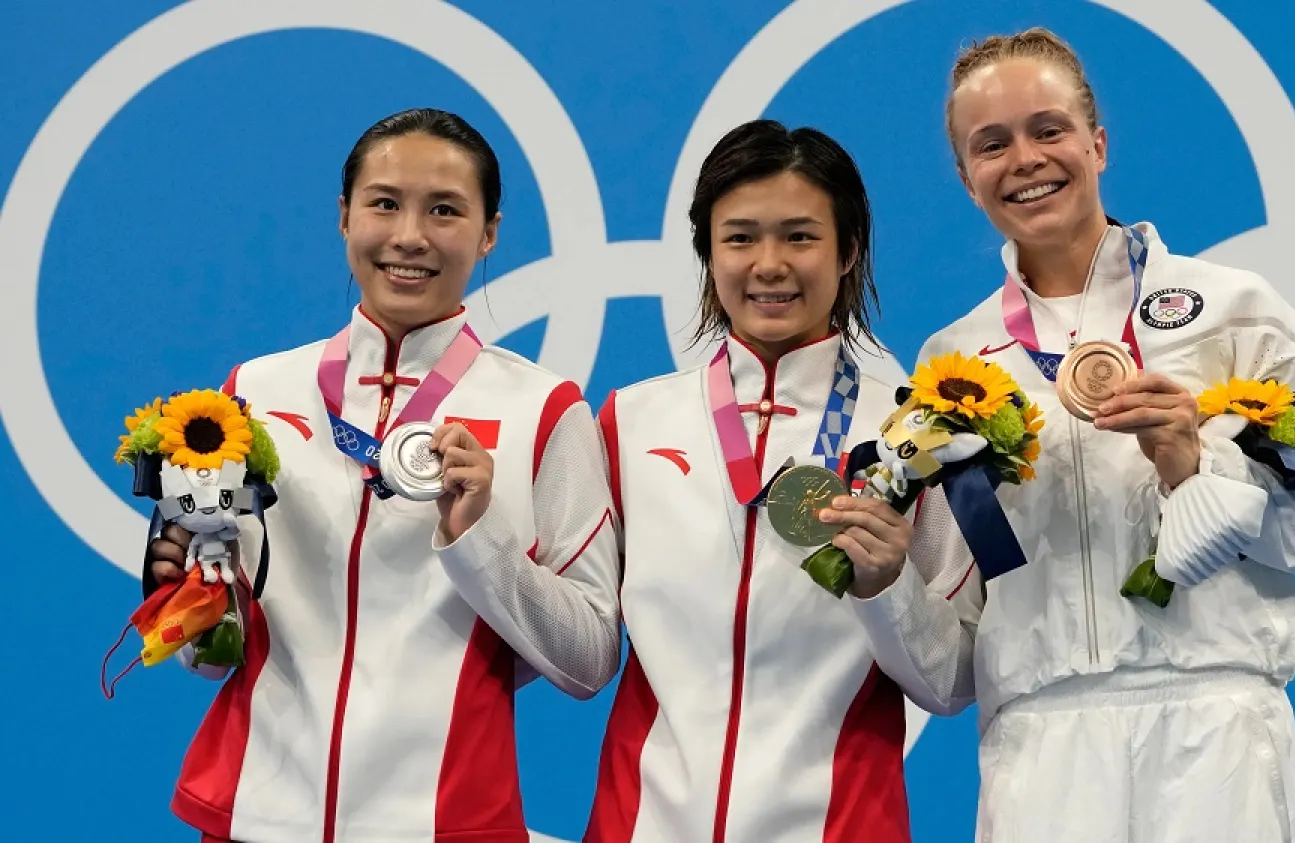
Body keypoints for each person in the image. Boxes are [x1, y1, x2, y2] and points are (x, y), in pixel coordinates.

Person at [851, 28, 1295, 843]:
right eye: (992, 144)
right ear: (966, 178)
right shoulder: (953, 364)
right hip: (1041, 746)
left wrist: (1202, 467)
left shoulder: (1235, 308)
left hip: (1217, 729)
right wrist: (885, 588)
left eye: (1048, 129)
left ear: (1097, 142)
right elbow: (956, 657)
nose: (1025, 158)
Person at [144, 108, 621, 843]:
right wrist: (192, 599)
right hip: (255, 815)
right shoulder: (255, 391)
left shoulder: (545, 410)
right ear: (343, 216)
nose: (409, 236)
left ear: (490, 231)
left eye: (445, 210)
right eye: (385, 203)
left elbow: (589, 660)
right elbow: (214, 665)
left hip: (446, 820)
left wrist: (479, 541)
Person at [583, 119, 980, 843]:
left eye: (800, 236)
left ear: (849, 249)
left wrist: (889, 585)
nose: (768, 264)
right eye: (739, 237)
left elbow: (953, 682)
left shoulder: (929, 433)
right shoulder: (627, 421)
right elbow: (580, 648)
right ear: (707, 252)